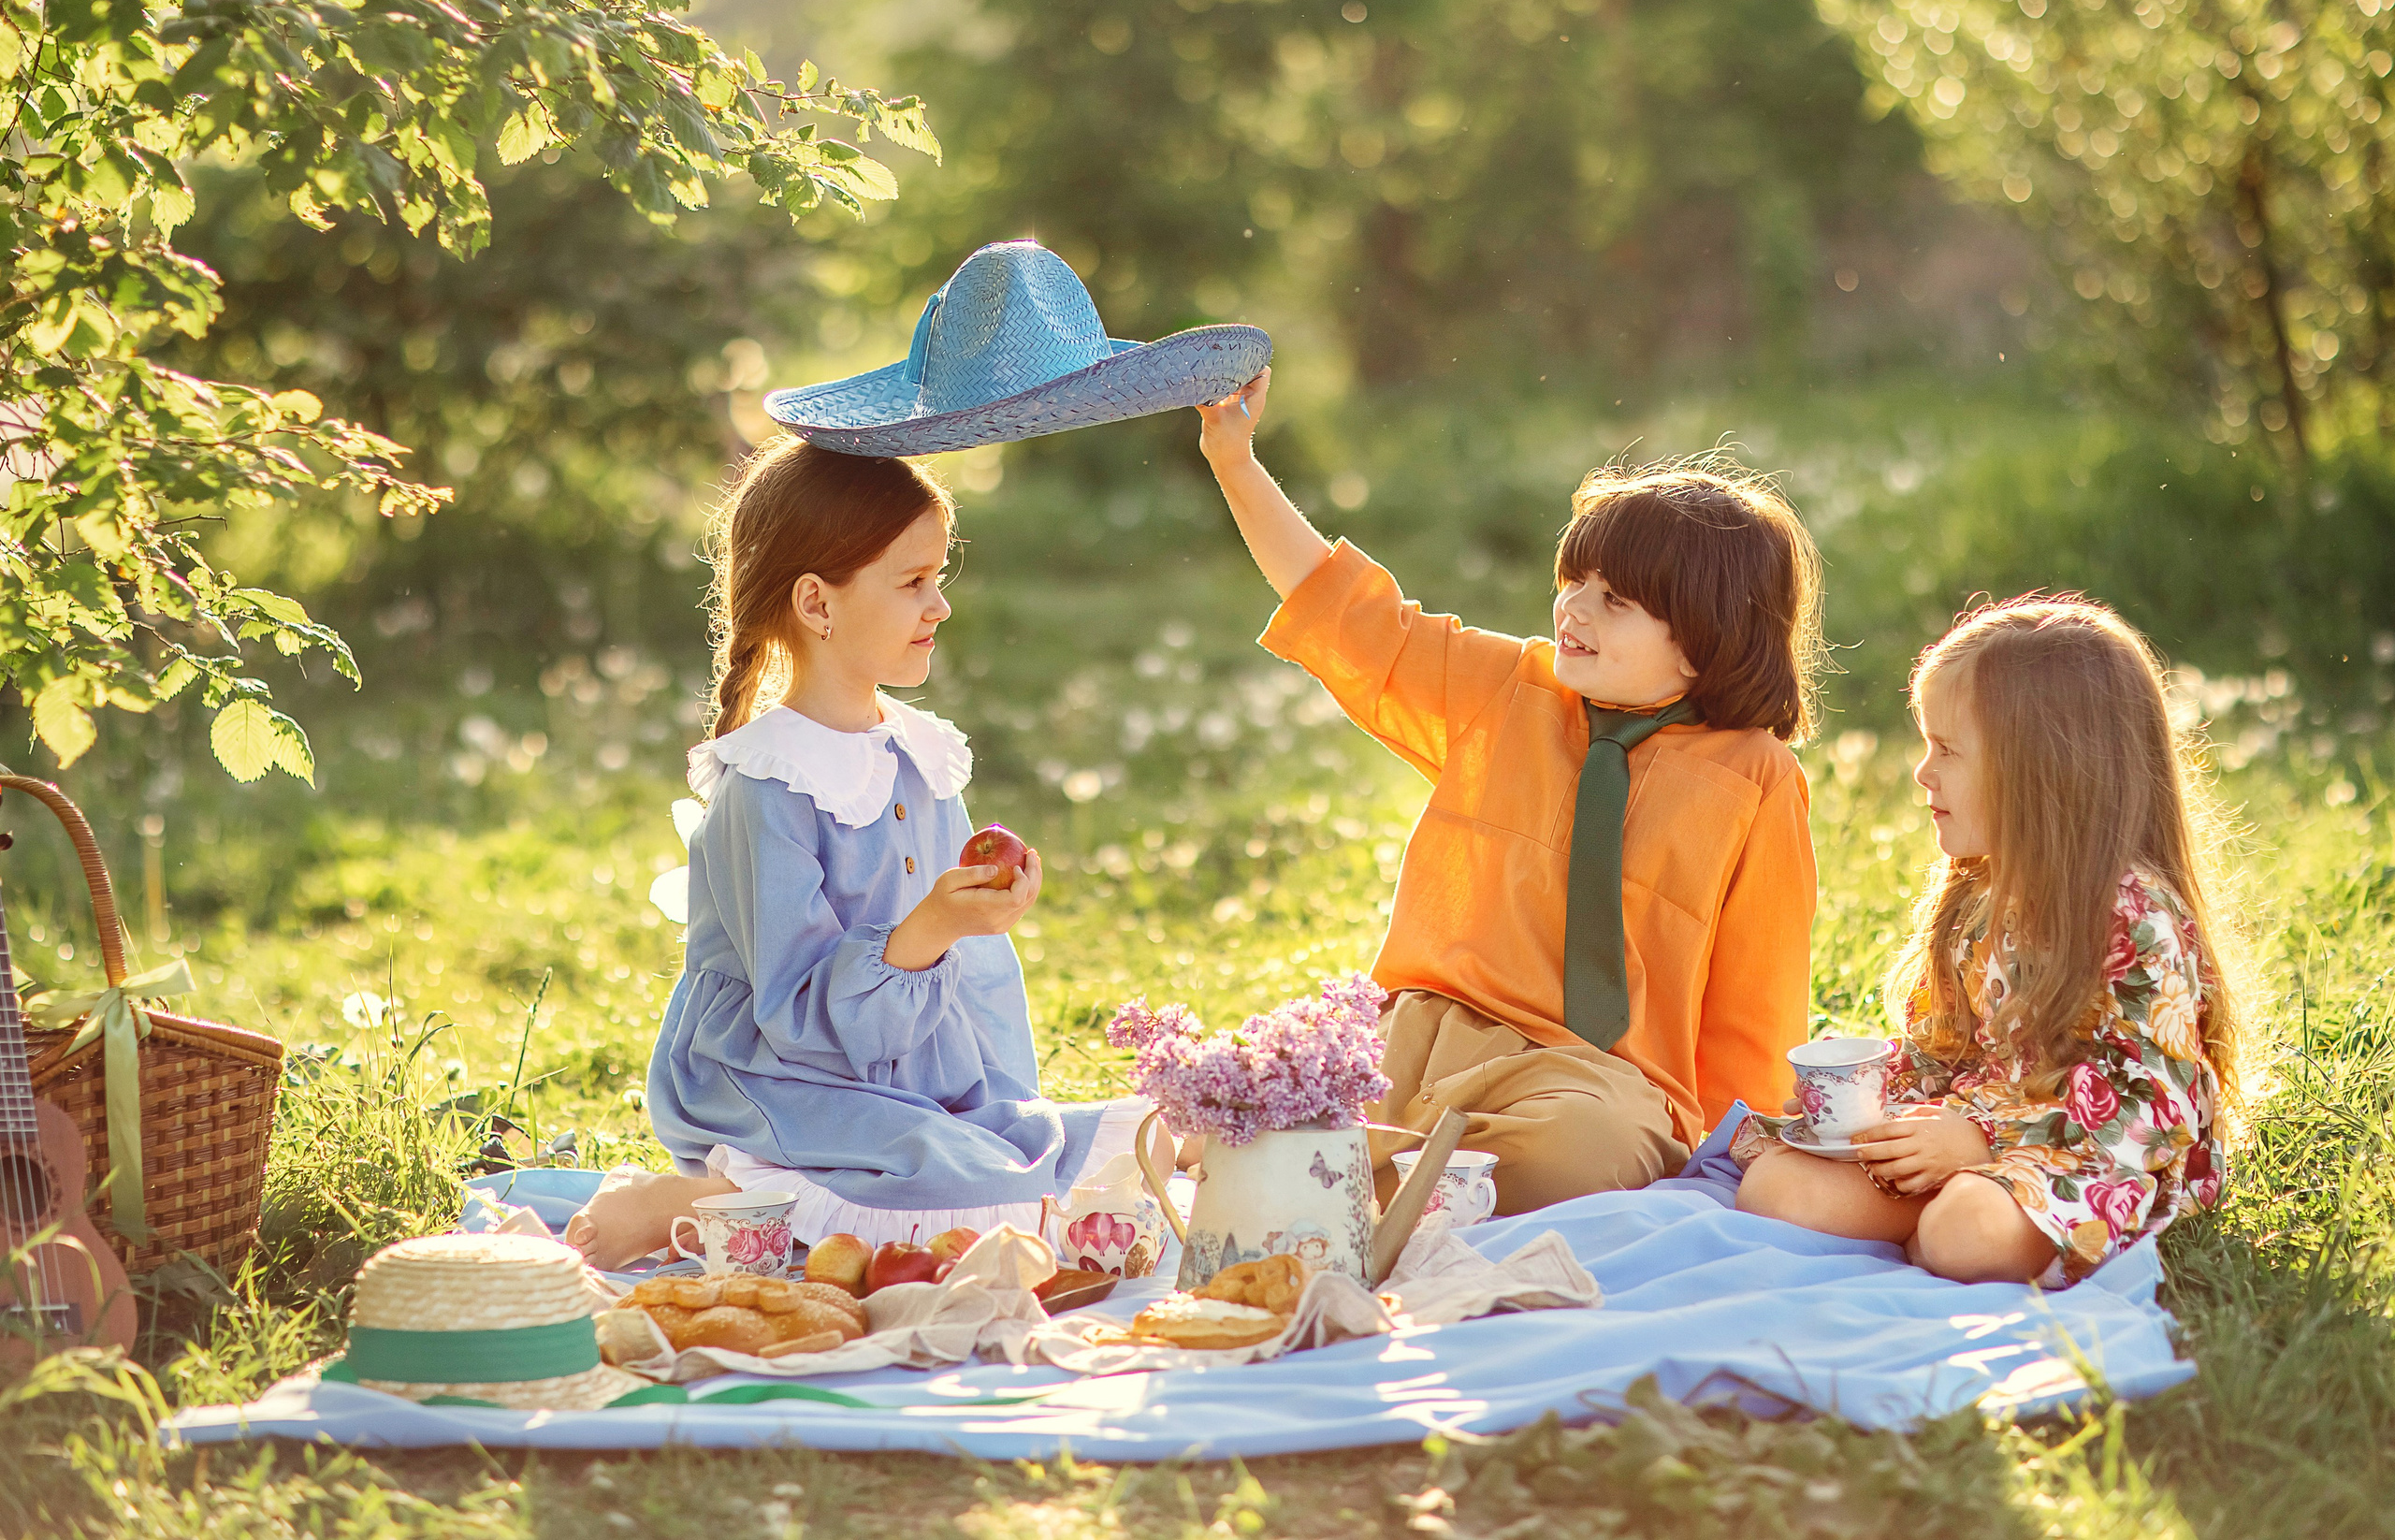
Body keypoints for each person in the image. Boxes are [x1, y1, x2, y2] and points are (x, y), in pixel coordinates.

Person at [1195, 369, 1823, 1213]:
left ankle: (1385, 1182)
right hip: (1421, 1036)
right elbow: (1347, 613)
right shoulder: (1509, 688)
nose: (1574, 610)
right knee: (1253, 1105)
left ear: (1709, 634)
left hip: (1594, 1080)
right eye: (1573, 581)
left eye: (1616, 600)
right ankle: (1382, 1175)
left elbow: (1757, 995)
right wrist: (1236, 463)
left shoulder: (1756, 775)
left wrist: (1741, 1150)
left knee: (1584, 1153)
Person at [568, 436, 1161, 1269]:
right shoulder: (766, 786)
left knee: (1126, 1145)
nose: (940, 606)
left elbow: (955, 962)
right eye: (913, 582)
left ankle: (851, 1177)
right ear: (818, 604)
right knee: (981, 1196)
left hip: (914, 1075)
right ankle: (707, 1198)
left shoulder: (921, 754)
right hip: (787, 1080)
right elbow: (794, 1013)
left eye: (939, 577)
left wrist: (979, 912)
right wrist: (931, 928)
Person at [1735, 596, 2244, 1286]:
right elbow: (1946, 1052)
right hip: (1970, 1141)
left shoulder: (2130, 912)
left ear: (2042, 770)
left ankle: (1944, 1223)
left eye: (1946, 750)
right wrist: (1864, 1092)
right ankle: (1937, 1214)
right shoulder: (1978, 895)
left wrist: (1981, 1140)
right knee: (1773, 1189)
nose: (1921, 773)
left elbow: (2154, 1103)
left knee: (1962, 1230)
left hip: (2088, 1157)